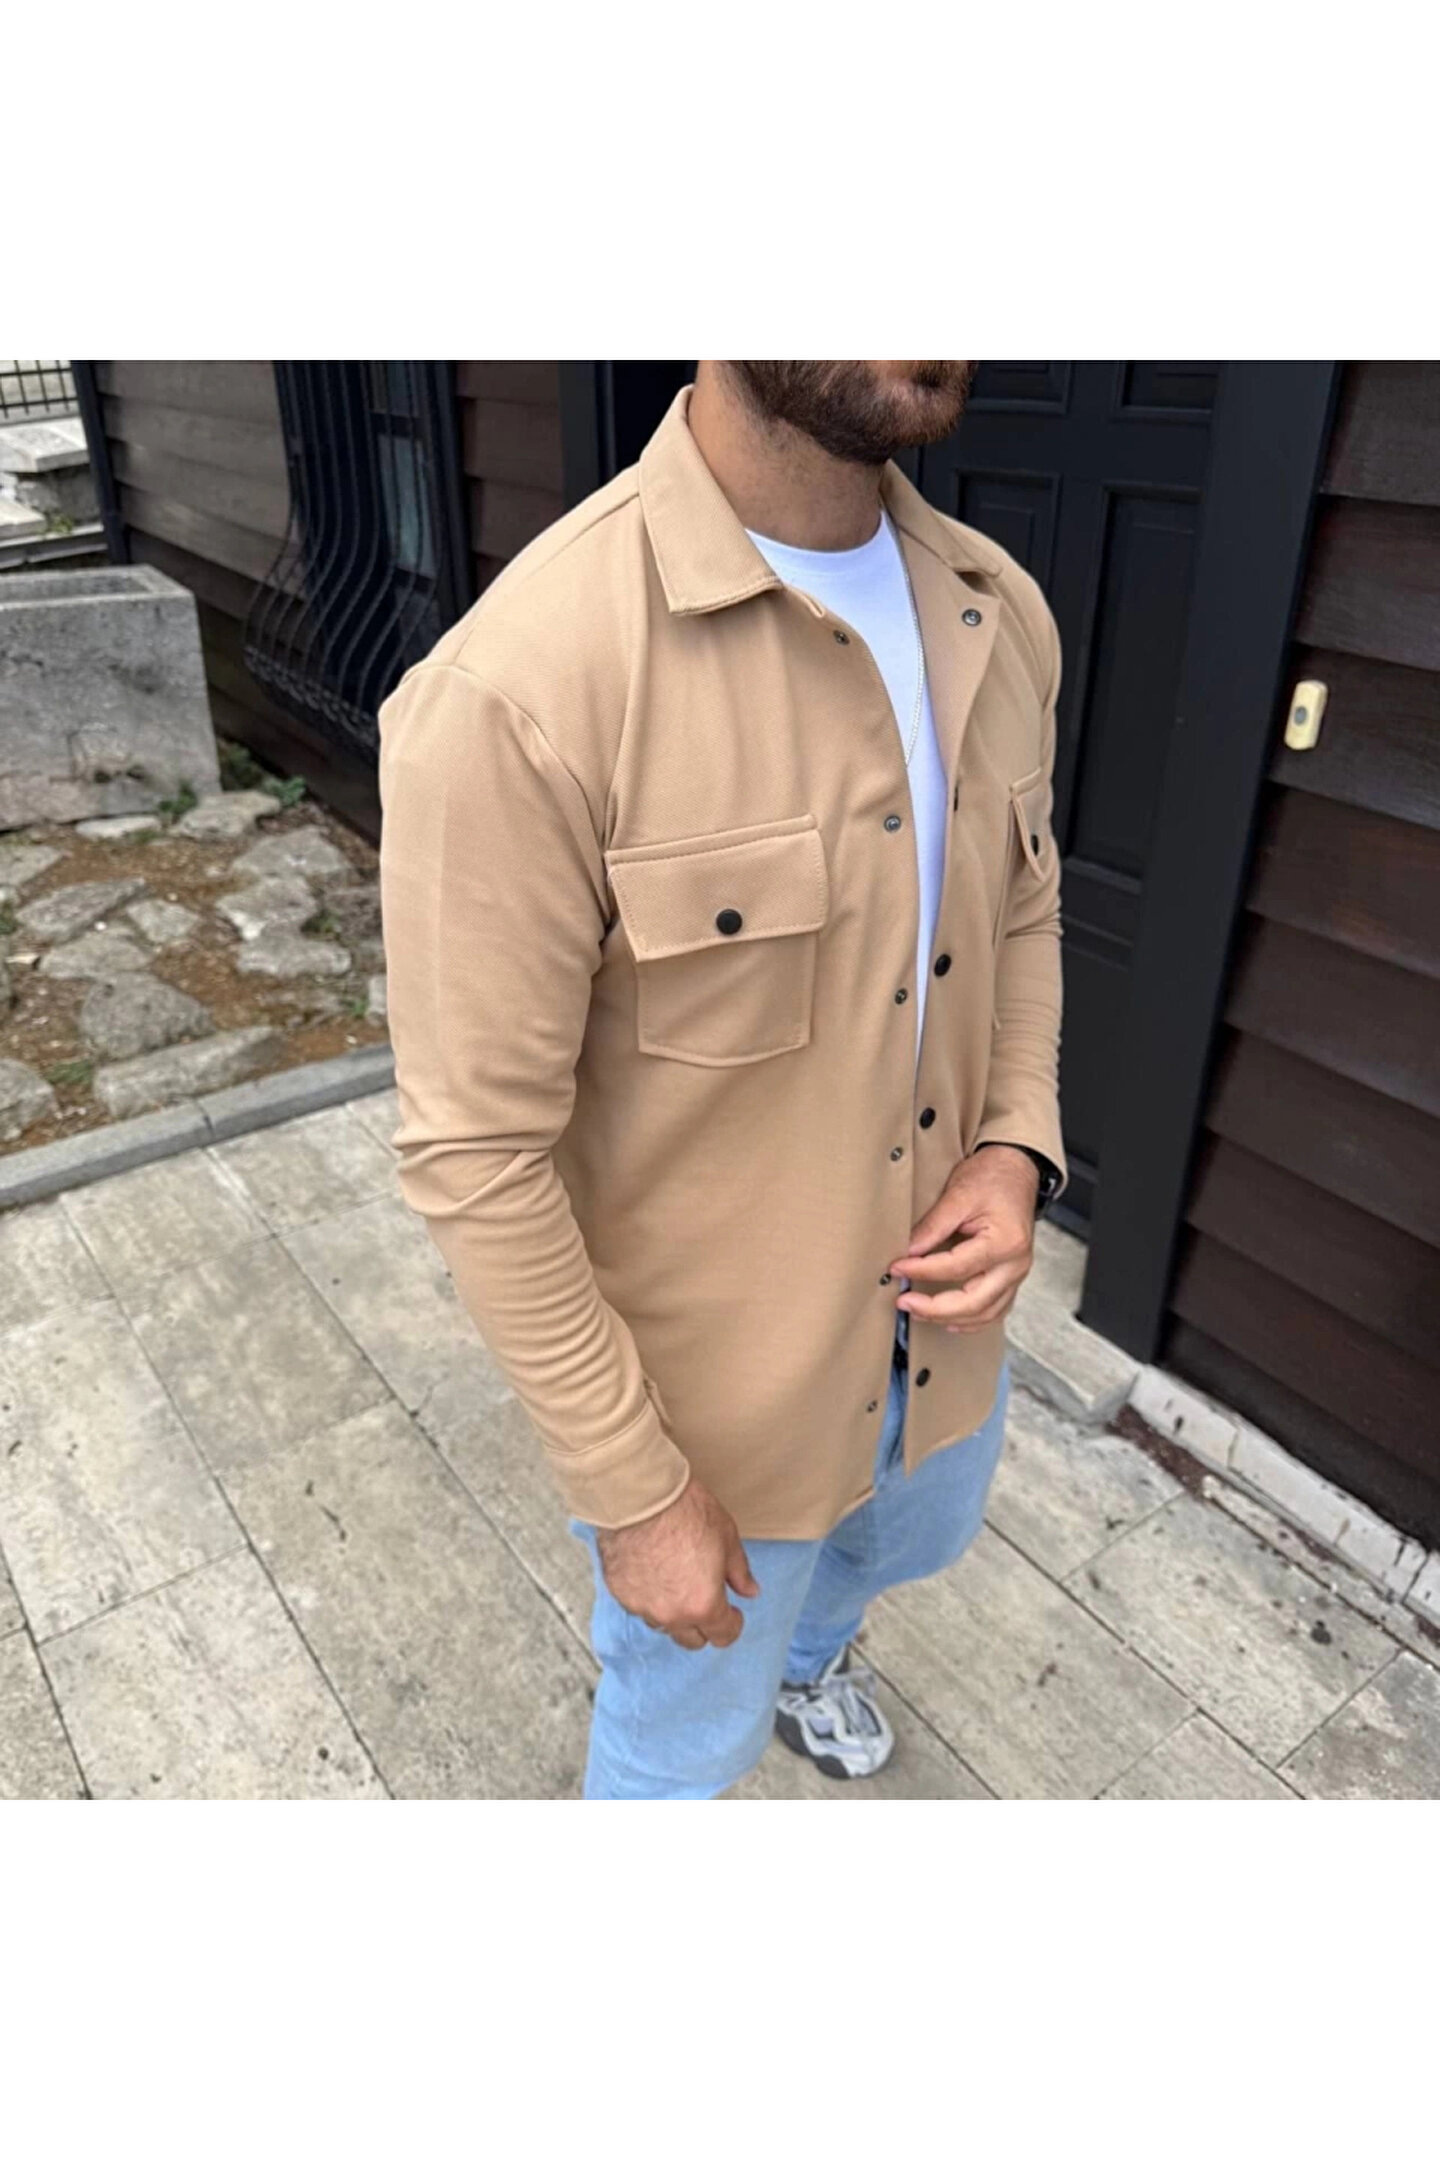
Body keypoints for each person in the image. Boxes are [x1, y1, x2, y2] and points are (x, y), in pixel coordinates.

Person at [377, 363, 1066, 1799]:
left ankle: (812, 1662)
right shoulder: (519, 689)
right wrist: (634, 1492)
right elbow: (475, 1155)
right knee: (675, 1751)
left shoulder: (998, 610)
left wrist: (1014, 1145)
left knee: (901, 1547)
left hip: (943, 1352)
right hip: (715, 1429)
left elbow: (1022, 911)